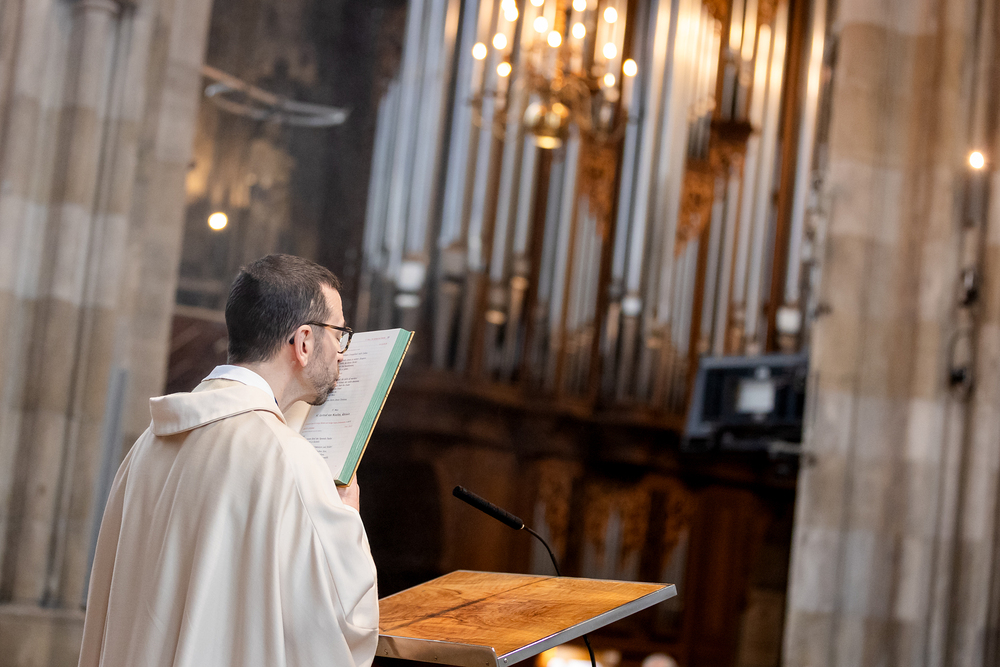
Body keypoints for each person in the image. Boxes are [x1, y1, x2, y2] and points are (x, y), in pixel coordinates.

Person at [78, 254, 379, 667]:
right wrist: (347, 519)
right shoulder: (287, 460)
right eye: (339, 333)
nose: (342, 353)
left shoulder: (147, 445)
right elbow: (342, 626)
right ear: (304, 342)